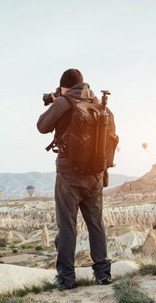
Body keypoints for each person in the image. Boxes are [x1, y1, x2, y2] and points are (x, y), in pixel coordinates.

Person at [37, 68, 112, 288]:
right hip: (96, 175)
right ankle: (103, 274)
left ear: (63, 86)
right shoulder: (99, 103)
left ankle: (66, 277)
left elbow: (42, 126)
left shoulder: (64, 102)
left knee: (68, 226)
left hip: (69, 175)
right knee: (96, 224)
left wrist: (57, 100)